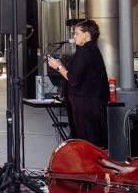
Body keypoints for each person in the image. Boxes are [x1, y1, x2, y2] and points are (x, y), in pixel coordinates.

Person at [46, 20, 109, 148]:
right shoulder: (89, 50)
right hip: (88, 102)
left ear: (87, 34)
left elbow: (73, 78)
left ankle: (90, 166)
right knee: (90, 140)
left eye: (77, 34)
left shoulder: (86, 51)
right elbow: (78, 74)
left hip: (87, 104)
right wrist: (62, 66)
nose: (74, 37)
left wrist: (58, 67)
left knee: (88, 141)